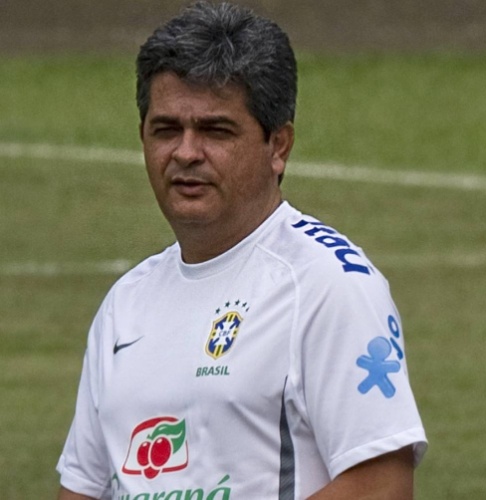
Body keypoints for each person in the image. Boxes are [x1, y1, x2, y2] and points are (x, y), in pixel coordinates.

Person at [56, 3, 426, 499]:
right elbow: (84, 487)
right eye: (166, 130)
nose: (186, 153)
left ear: (278, 146)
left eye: (216, 131)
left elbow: (382, 486)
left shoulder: (327, 286)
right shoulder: (125, 304)